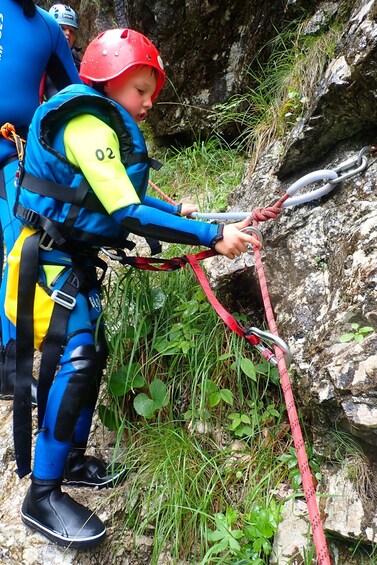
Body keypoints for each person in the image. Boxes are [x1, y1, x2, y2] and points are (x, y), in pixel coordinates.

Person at [6, 28, 261, 548]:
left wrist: (178, 210)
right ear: (112, 80)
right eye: (140, 90)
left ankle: (71, 460)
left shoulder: (97, 123)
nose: (147, 104)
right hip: (49, 267)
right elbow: (125, 210)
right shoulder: (86, 124)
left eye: (151, 93)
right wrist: (213, 236)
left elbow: (109, 190)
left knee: (92, 354)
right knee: (77, 358)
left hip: (69, 262)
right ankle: (42, 495)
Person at [0, 0, 82, 400]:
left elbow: (76, 92)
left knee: (21, 249)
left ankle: (10, 369)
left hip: (11, 157)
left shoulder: (47, 28)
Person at [43, 4, 81, 100]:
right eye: (62, 28)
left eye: (71, 31)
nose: (68, 33)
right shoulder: (40, 55)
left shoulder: (75, 59)